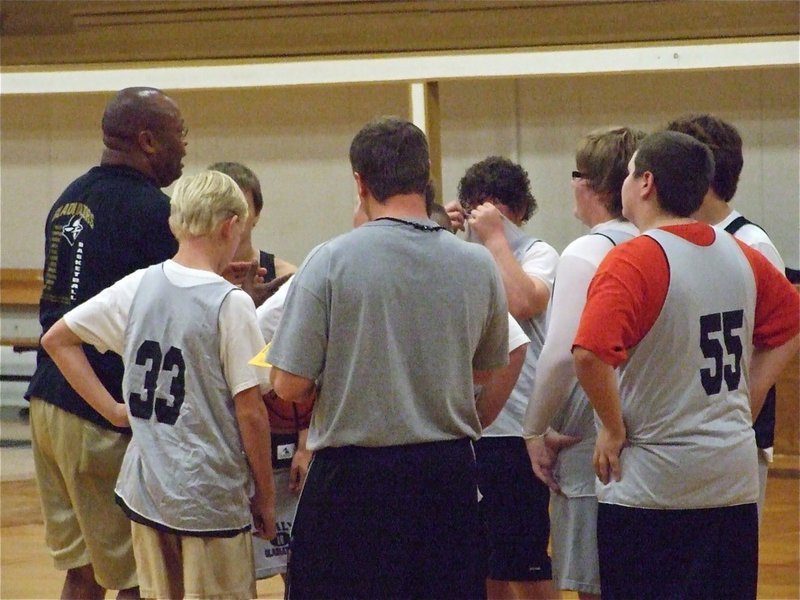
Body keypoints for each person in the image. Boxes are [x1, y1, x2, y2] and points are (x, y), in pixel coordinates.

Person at [268, 116, 509, 599]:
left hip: (354, 480)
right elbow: (486, 369)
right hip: (448, 476)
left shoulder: (330, 260)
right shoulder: (478, 263)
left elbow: (288, 386)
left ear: (360, 182)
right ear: (425, 177)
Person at [573, 131, 799, 598]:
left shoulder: (633, 259)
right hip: (730, 482)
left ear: (645, 183)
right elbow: (791, 325)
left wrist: (613, 428)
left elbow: (590, 354)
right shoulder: (741, 253)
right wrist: (749, 397)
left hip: (653, 486)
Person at [40, 170, 278, 600]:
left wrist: (113, 409)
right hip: (210, 497)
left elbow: (56, 339)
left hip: (147, 492)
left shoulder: (139, 284)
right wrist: (265, 495)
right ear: (229, 227)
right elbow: (250, 412)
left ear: (175, 223)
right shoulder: (231, 303)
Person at [24, 86, 186, 599]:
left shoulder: (68, 199)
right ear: (148, 140)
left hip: (49, 404)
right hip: (102, 411)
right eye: (179, 135)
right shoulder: (155, 212)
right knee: (140, 573)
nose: (185, 146)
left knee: (84, 570)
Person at [523, 126, 645, 599]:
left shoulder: (587, 252)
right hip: (651, 440)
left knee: (597, 585)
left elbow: (559, 357)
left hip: (595, 445)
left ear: (587, 182)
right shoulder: (660, 244)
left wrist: (533, 429)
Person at [447, 156, 559, 599]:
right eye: (477, 208)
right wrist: (442, 229)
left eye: (496, 209)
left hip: (518, 431)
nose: (486, 217)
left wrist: (496, 239)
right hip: (471, 426)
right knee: (484, 565)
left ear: (517, 210)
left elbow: (523, 302)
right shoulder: (460, 255)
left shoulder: (539, 253)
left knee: (527, 564)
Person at [665, 113, 786, 519]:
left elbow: (784, 335)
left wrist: (742, 410)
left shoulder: (751, 243)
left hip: (732, 437)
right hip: (686, 434)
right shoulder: (674, 241)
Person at [208, 162, 296, 305]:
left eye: (240, 207)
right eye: (219, 207)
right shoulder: (187, 279)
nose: (230, 218)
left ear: (257, 213)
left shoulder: (286, 277)